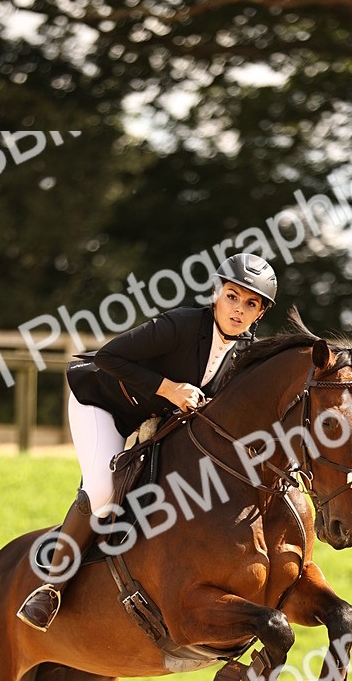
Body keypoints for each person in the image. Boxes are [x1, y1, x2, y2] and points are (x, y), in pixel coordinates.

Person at [17, 252, 278, 631]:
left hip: (152, 420)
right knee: (103, 489)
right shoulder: (182, 324)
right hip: (102, 403)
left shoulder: (245, 354)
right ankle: (50, 588)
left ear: (260, 314)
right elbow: (108, 357)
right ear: (217, 294)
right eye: (232, 296)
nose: (238, 309)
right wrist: (171, 389)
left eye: (250, 303)